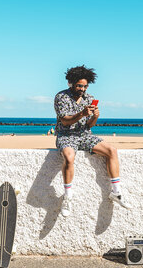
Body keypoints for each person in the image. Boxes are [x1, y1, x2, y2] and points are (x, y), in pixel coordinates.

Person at [54, 65, 131, 217]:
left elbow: (89, 125)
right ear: (71, 83)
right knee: (69, 157)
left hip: (85, 134)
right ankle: (67, 197)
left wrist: (95, 116)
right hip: (66, 135)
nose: (82, 89)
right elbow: (64, 121)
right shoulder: (61, 97)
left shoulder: (89, 98)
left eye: (85, 86)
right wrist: (81, 113)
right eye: (79, 86)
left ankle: (116, 193)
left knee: (111, 151)